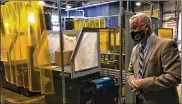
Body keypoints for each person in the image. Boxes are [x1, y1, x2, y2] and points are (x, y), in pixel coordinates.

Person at [127, 13, 181, 104]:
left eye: (135, 27)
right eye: (131, 28)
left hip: (161, 100)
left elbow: (174, 76)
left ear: (146, 27)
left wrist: (143, 83)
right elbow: (130, 71)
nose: (132, 31)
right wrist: (132, 81)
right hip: (140, 99)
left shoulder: (166, 45)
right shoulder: (135, 49)